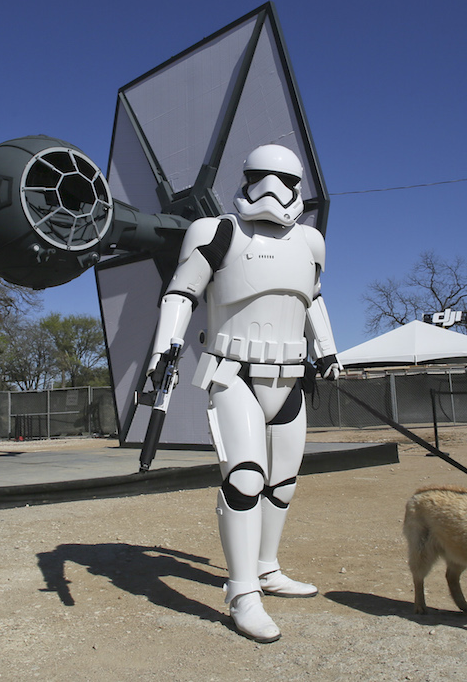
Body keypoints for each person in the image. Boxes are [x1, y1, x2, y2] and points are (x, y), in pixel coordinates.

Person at [145, 144, 342, 643]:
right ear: (246, 178)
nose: (272, 191)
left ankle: (267, 569)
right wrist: (164, 349)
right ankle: (242, 591)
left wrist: (329, 351)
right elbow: (181, 291)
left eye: (284, 180)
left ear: (299, 189)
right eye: (261, 177)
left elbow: (313, 299)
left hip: (290, 377)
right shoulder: (217, 232)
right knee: (246, 478)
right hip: (234, 374)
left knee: (284, 484)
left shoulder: (311, 243)